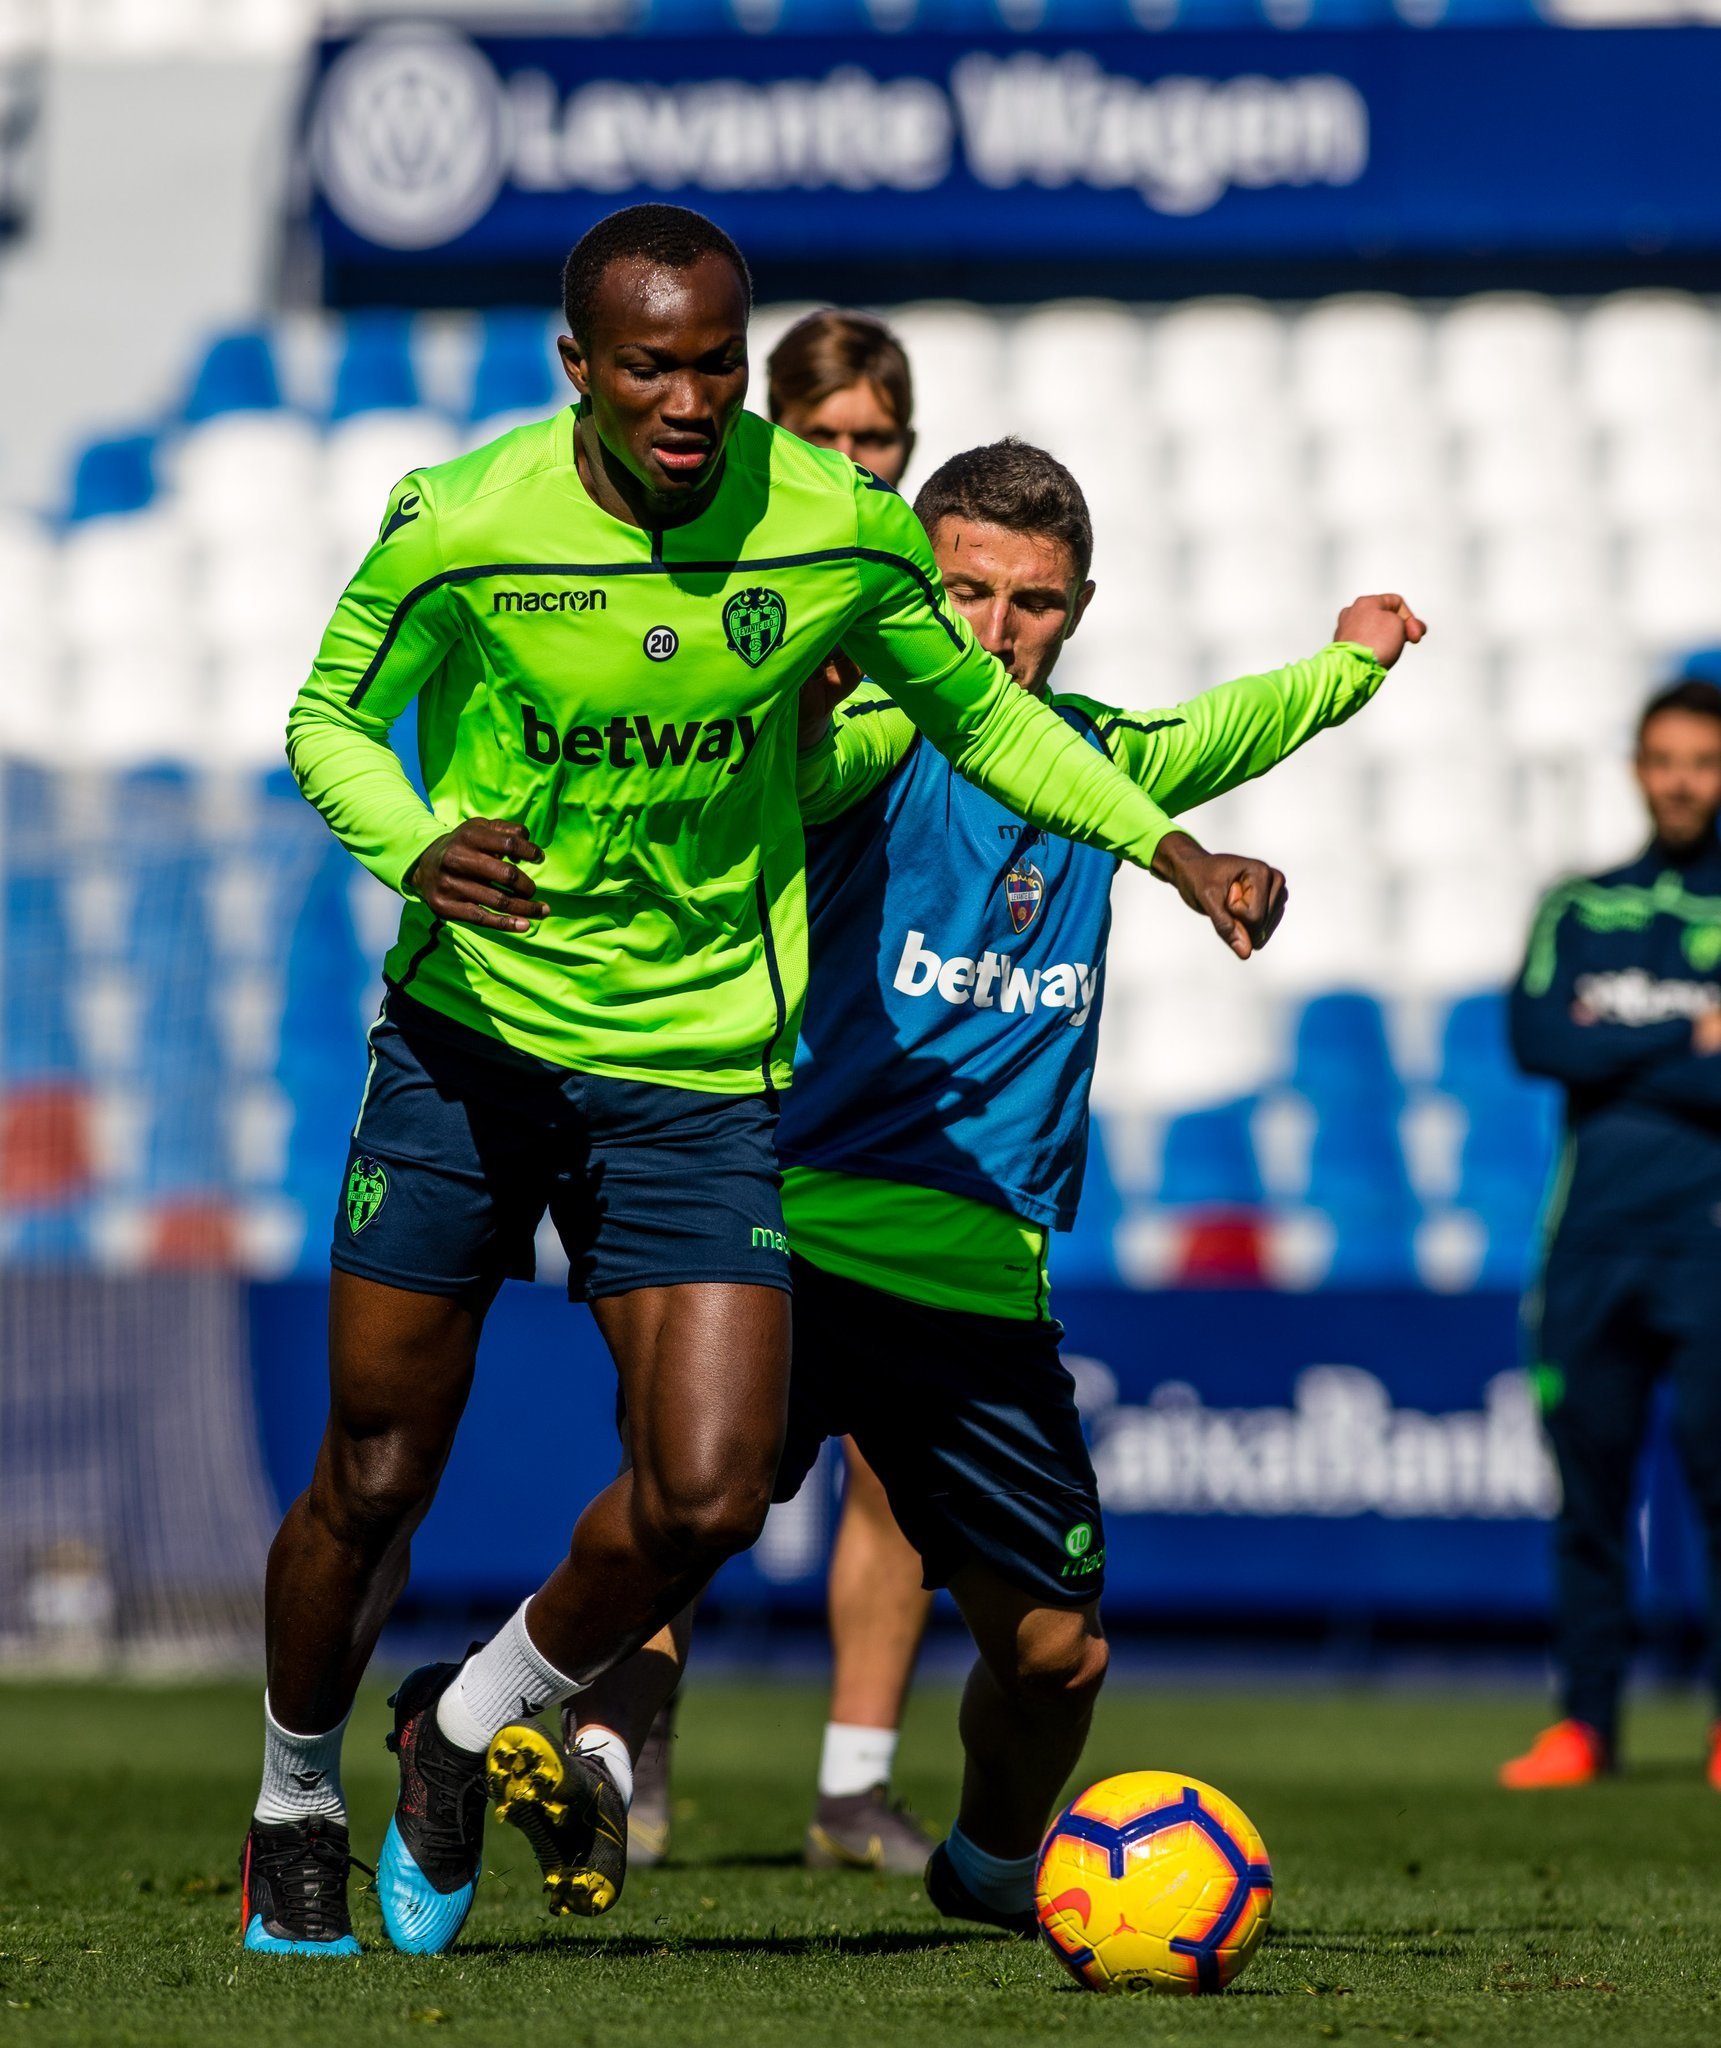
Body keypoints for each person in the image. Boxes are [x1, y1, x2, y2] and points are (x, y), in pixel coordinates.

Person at [240, 206, 1288, 1959]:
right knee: (373, 1462)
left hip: (695, 1060)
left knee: (712, 1489)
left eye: (717, 366)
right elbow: (327, 721)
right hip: (470, 1036)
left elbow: (988, 722)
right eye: (650, 365)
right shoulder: (462, 519)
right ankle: (291, 1797)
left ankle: (455, 1718)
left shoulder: (834, 529)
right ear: (579, 367)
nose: (688, 398)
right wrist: (415, 842)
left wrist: (1168, 850)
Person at [520, 438, 1423, 1934]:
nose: (998, 631)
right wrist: (797, 709)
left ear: (1076, 609)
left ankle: (995, 1867)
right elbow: (780, 773)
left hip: (979, 1277)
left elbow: (1232, 724)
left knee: (1061, 1656)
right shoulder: (865, 742)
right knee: (691, 1511)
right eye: (965, 594)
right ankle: (545, 1736)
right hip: (791, 1226)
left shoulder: (1100, 762)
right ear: (914, 593)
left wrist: (1352, 662)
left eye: (1034, 603)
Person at [627, 307, 940, 1877]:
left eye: (876, 442)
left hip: (892, 1097)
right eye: (821, 440)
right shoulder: (728, 601)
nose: (851, 464)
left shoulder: (916, 617)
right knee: (702, 1465)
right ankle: (640, 1739)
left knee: (893, 1465)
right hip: (734, 1087)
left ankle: (854, 1788)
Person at [1501, 676, 1721, 1791]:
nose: (1681, 780)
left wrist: (1618, 1034)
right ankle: (1583, 1723)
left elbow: (1591, 1043)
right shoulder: (1576, 904)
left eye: (1701, 761)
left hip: (1706, 1245)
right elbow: (1537, 1040)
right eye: (1664, 758)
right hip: (1585, 1246)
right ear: (1637, 768)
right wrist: (1690, 1028)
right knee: (1586, 1496)